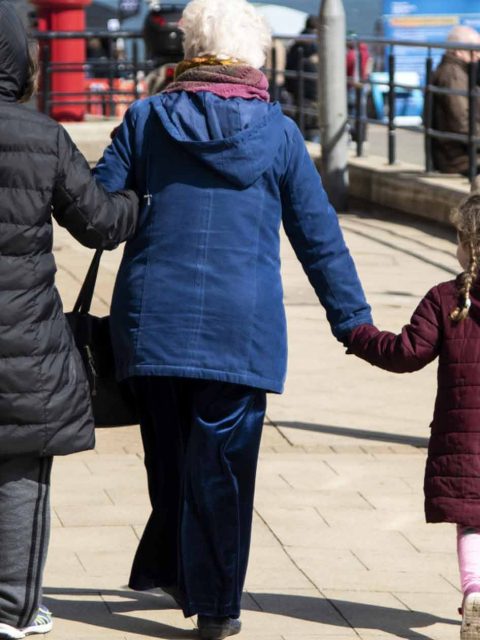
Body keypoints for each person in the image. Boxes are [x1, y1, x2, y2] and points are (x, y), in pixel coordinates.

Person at [94, 0, 372, 638]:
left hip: (151, 321)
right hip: (240, 332)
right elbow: (318, 236)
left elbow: (98, 209)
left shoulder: (145, 119)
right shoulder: (276, 134)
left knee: (168, 459)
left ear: (190, 49)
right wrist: (353, 322)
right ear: (254, 56)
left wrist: (145, 201)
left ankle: (178, 570)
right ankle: (216, 607)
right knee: (223, 469)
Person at [0, 3, 138, 639]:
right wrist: (140, 199)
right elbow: (101, 224)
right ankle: (13, 610)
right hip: (25, 343)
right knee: (22, 477)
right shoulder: (42, 136)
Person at [348, 192, 480, 640]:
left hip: (464, 437)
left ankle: (475, 591)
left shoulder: (445, 298)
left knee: (472, 520)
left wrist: (359, 334)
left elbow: (406, 354)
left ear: (466, 245)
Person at [430, 26, 480, 175]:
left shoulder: (459, 72)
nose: (479, 55)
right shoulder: (453, 76)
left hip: (460, 154)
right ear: (458, 51)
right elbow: (462, 122)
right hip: (459, 158)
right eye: (475, 50)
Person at [284, 15, 319, 140]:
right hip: (311, 90)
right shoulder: (314, 43)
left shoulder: (296, 42)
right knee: (312, 123)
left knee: (300, 119)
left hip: (295, 87)